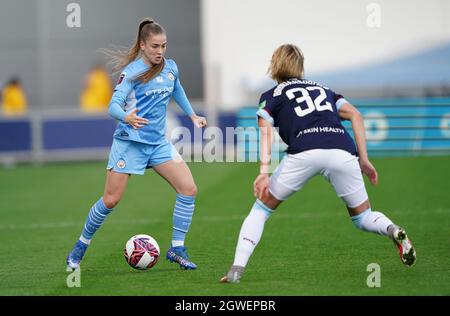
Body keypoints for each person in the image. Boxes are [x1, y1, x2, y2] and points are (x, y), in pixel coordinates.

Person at [220, 44, 416, 283]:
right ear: (300, 66)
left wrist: (264, 171)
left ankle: (236, 270)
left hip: (304, 151)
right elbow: (355, 114)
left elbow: (266, 133)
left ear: (274, 65)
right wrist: (363, 159)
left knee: (261, 210)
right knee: (363, 216)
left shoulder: (271, 95)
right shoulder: (325, 89)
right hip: (342, 150)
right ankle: (392, 230)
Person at [66, 17, 207, 270]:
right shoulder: (131, 73)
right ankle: (80, 246)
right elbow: (112, 107)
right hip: (130, 143)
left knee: (189, 189)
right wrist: (127, 117)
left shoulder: (171, 67)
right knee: (110, 200)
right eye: (155, 46)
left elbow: (178, 91)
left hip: (157, 144)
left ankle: (177, 249)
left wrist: (193, 115)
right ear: (143, 45)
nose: (160, 51)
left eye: (163, 46)